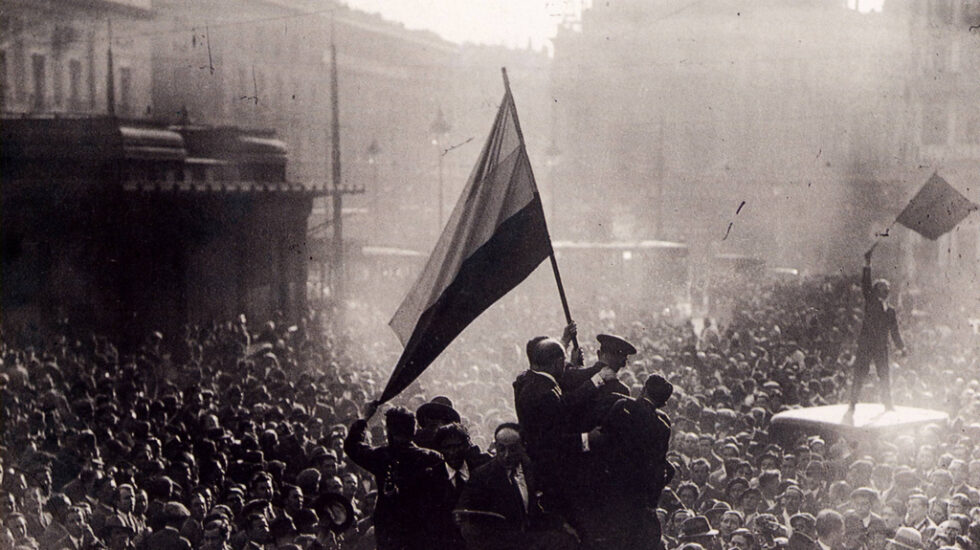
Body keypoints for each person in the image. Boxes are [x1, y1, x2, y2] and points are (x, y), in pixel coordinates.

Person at [512, 334, 617, 515]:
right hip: (549, 471)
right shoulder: (544, 392)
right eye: (564, 362)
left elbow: (563, 402)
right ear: (557, 362)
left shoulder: (531, 380)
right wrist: (587, 439)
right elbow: (551, 439)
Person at [343, 403, 454, 550]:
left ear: (389, 430)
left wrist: (364, 418)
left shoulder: (382, 456)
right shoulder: (432, 458)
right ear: (414, 430)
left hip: (389, 532)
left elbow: (352, 446)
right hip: (423, 532)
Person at [585, 373, 676, 550]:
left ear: (643, 389)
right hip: (638, 498)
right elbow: (659, 466)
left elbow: (603, 438)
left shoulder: (624, 406)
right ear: (664, 403)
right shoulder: (662, 426)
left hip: (609, 487)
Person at [454, 423, 576, 550]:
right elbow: (466, 518)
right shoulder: (481, 476)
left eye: (513, 449)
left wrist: (562, 525)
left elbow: (549, 506)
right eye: (501, 449)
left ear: (523, 447)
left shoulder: (534, 470)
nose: (506, 455)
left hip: (533, 540)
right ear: (495, 446)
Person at [849, 247, 905, 411]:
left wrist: (902, 347)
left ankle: (888, 403)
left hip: (881, 346)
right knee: (860, 373)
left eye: (886, 288)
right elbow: (865, 283)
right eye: (881, 287)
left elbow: (895, 331)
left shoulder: (891, 310)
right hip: (866, 344)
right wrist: (867, 264)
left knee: (884, 375)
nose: (884, 290)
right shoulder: (871, 301)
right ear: (875, 290)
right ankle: (853, 402)